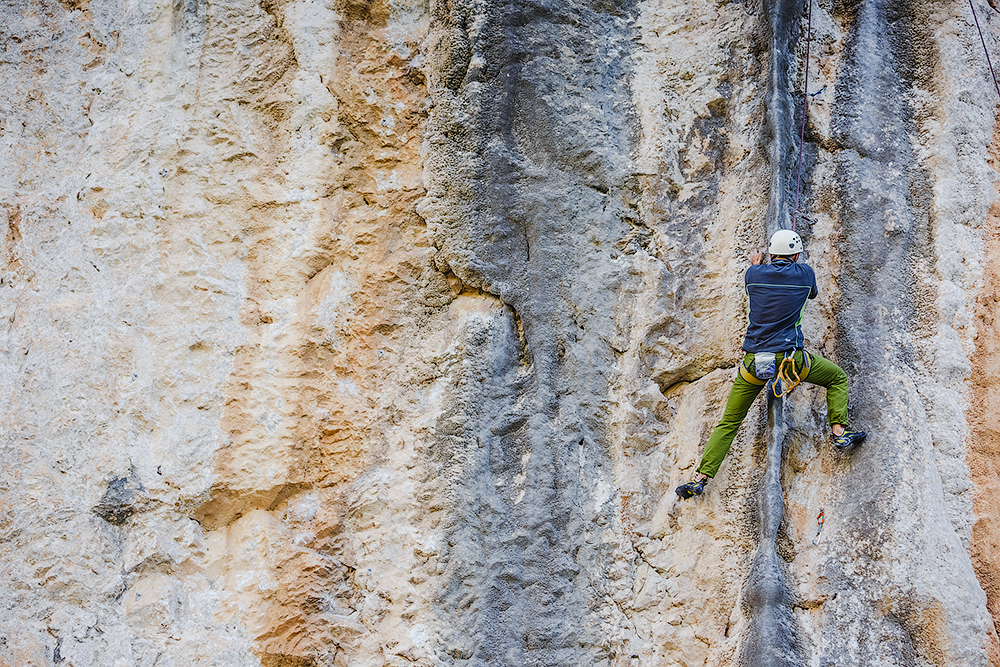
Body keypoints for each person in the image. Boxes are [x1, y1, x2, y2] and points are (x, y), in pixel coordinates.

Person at [676, 229, 866, 500]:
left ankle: (699, 479)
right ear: (796, 255)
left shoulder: (754, 275)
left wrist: (756, 262)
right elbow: (811, 294)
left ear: (771, 254)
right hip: (790, 360)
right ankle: (839, 432)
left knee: (729, 422)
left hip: (754, 362)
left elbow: (757, 274)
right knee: (837, 378)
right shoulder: (806, 274)